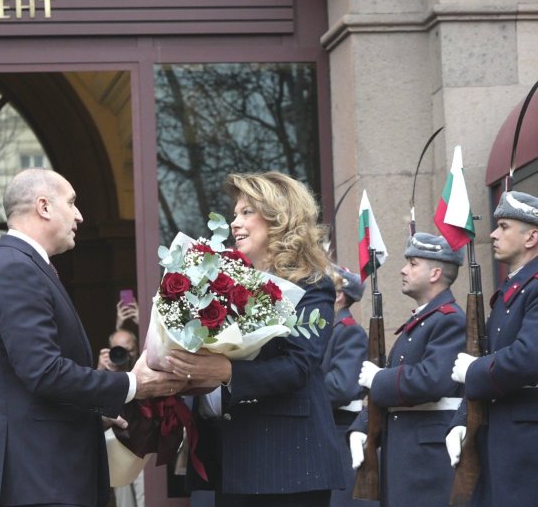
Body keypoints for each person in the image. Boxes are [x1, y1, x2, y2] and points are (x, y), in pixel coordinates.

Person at [0, 167, 185, 507]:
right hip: (39, 482)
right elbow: (44, 372)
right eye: (71, 203)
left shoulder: (21, 265)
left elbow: (31, 384)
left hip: (43, 476)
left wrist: (89, 412)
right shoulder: (16, 269)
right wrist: (133, 384)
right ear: (44, 207)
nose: (80, 215)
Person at [167, 171, 344, 506]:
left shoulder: (311, 283)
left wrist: (226, 372)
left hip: (287, 462)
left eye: (247, 212)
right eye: (235, 213)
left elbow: (299, 364)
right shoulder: (220, 282)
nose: (235, 222)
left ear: (280, 218)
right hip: (229, 455)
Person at [349, 232, 465, 507]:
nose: (403, 270)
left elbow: (432, 380)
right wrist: (362, 424)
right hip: (406, 451)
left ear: (435, 273)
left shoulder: (449, 320)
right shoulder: (423, 320)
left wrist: (380, 379)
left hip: (426, 456)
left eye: (413, 264)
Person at [448, 191, 538, 506]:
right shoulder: (512, 291)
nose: (492, 234)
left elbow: (528, 357)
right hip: (501, 435)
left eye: (503, 227)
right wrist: (462, 419)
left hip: (526, 440)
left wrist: (473, 370)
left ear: (531, 238)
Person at [321, 266, 374, 507]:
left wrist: (301, 387)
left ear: (339, 295)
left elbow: (342, 386)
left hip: (340, 431)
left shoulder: (349, 331)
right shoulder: (328, 328)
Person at [97, 322, 145, 507]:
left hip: (142, 446)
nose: (124, 354)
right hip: (116, 446)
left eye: (129, 350)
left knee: (145, 497)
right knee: (124, 502)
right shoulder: (104, 373)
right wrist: (100, 370)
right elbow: (91, 403)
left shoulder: (145, 370)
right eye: (118, 350)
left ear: (137, 350)